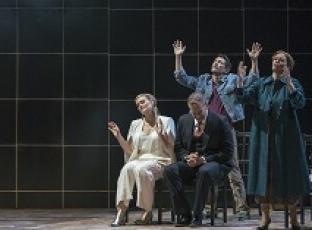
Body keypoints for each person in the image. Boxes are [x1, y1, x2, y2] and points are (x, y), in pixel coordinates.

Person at [173, 40, 262, 220]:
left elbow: (252, 80)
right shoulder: (203, 80)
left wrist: (254, 61)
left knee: (233, 167)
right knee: (206, 167)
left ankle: (242, 207)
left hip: (225, 130)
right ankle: (208, 207)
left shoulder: (231, 79)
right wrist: (178, 56)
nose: (217, 63)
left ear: (227, 69)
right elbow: (182, 78)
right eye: (215, 61)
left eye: (221, 63)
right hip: (204, 130)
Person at [237, 50, 310, 230]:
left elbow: (300, 103)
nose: (277, 62)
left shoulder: (294, 83)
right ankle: (265, 217)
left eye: (282, 60)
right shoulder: (262, 83)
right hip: (264, 137)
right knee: (264, 175)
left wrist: (290, 83)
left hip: (286, 137)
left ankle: (293, 218)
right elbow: (243, 98)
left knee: (289, 174)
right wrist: (240, 80)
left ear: (288, 66)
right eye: (275, 59)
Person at [162, 92, 234, 227]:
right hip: (192, 163)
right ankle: (184, 214)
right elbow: (179, 147)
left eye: (199, 112)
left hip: (215, 163)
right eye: (193, 113)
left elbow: (227, 153)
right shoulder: (184, 120)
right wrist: (186, 157)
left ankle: (197, 215)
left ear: (206, 105)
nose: (197, 116)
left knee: (204, 171)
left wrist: (203, 159)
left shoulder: (220, 121)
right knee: (169, 171)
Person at [107, 93, 176, 226]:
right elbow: (130, 151)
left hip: (161, 161)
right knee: (127, 168)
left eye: (143, 102)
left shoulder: (166, 121)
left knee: (140, 169)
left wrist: (161, 134)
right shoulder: (136, 124)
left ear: (152, 102)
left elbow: (171, 148)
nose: (140, 106)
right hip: (140, 160)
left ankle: (147, 210)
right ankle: (121, 211)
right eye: (138, 105)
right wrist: (118, 136)